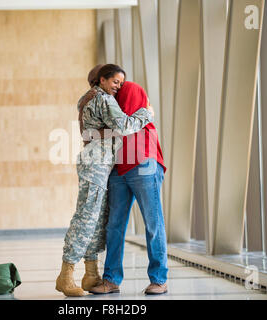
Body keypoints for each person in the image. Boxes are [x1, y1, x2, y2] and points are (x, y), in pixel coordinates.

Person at [55, 65, 155, 297]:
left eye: (120, 84)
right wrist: (147, 113)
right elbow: (124, 126)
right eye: (115, 82)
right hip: (97, 163)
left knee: (98, 218)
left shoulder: (89, 98)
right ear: (101, 80)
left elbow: (94, 132)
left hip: (98, 162)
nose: (118, 87)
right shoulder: (105, 99)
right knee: (87, 217)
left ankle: (91, 274)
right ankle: (65, 274)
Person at [89, 81, 168, 295]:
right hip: (119, 168)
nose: (100, 86)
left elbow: (124, 125)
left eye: (106, 80)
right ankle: (111, 279)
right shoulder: (99, 100)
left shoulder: (130, 89)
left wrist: (105, 129)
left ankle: (159, 279)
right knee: (114, 226)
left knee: (153, 224)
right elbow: (92, 132)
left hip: (143, 163)